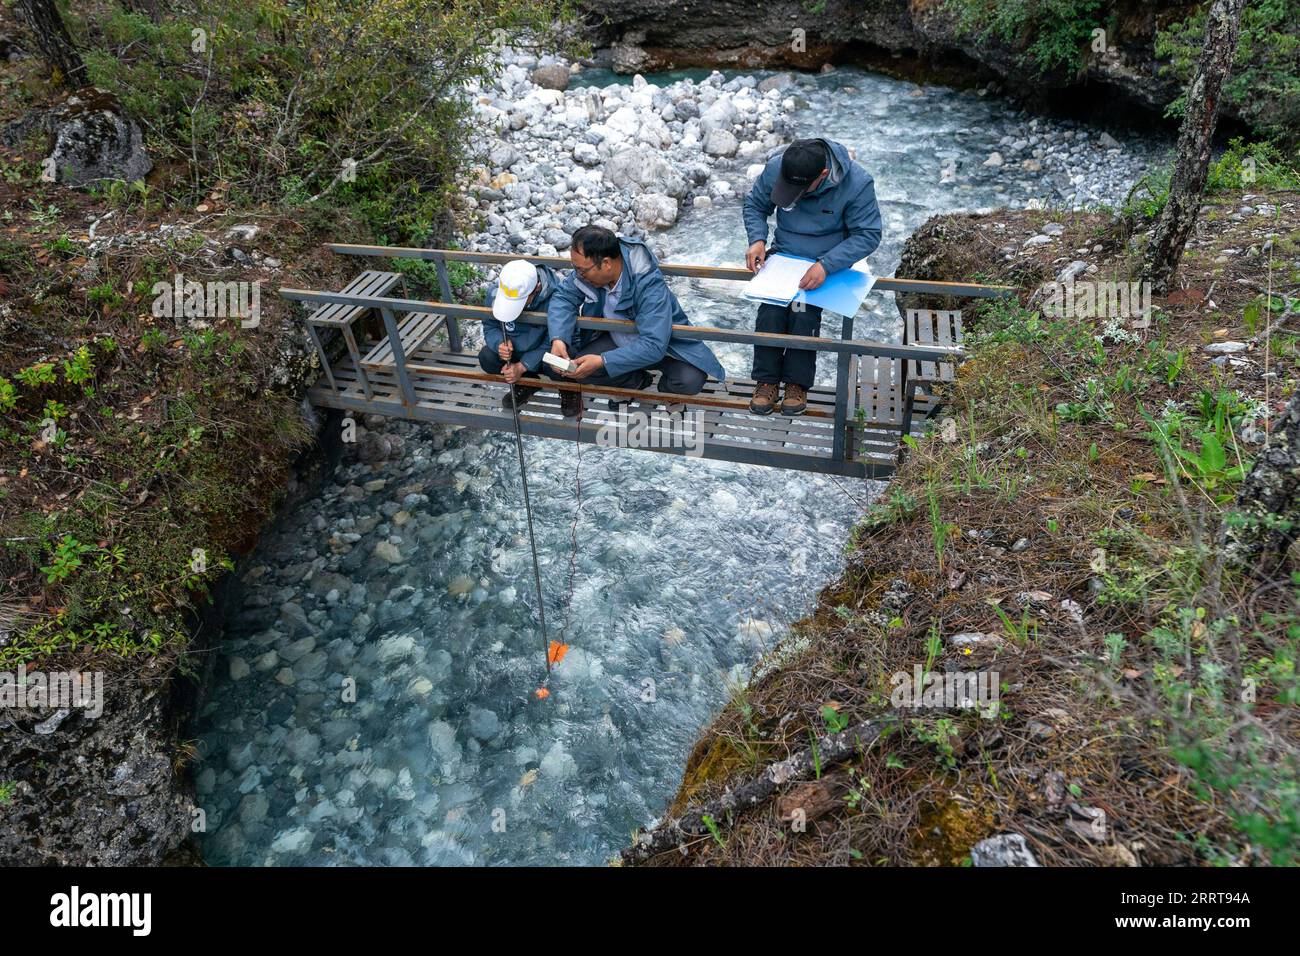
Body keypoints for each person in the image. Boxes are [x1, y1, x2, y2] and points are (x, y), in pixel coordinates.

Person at [742, 137, 882, 416]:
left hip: (827, 260)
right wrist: (757, 239)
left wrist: (827, 265)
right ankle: (766, 382)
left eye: (799, 189)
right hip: (784, 257)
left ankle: (796, 384)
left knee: (804, 314)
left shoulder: (857, 183)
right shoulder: (776, 168)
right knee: (770, 311)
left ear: (823, 175)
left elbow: (868, 234)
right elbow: (755, 205)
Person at [545, 225, 725, 419]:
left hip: (666, 348)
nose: (577, 274)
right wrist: (558, 338)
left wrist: (603, 360)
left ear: (606, 264)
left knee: (690, 380)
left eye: (581, 270)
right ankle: (634, 382)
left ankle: (669, 393)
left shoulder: (648, 283)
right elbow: (563, 298)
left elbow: (654, 344)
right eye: (576, 269)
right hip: (617, 340)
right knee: (573, 367)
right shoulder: (587, 275)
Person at [480, 258, 558, 410]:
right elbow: (490, 326)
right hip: (513, 352)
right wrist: (499, 344)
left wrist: (523, 366)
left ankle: (569, 389)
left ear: (537, 288)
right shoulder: (495, 293)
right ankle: (528, 382)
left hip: (543, 354)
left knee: (560, 362)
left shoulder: (556, 299)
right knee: (486, 357)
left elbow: (554, 341)